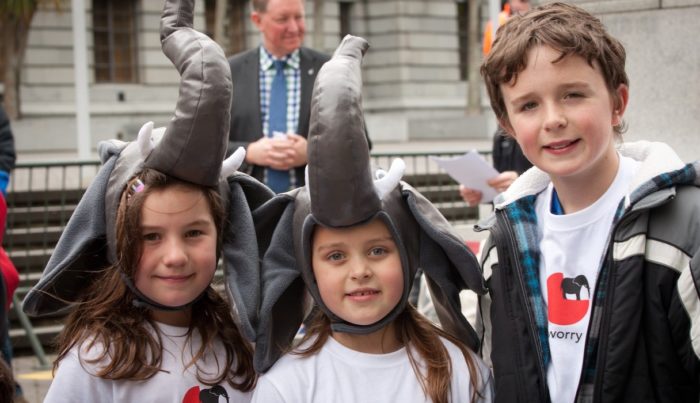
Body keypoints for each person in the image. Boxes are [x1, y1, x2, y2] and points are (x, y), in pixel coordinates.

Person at [22, 1, 273, 401]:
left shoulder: (239, 350)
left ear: (225, 234)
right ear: (119, 238)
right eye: (150, 236)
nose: (175, 256)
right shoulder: (92, 363)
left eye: (194, 232)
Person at [249, 35, 493, 403]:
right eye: (335, 256)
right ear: (307, 268)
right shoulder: (286, 387)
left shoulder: (463, 370)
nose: (359, 270)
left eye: (378, 251)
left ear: (411, 253)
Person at [476, 2, 700, 402]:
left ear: (617, 103)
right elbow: (494, 371)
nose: (553, 119)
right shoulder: (503, 239)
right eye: (529, 105)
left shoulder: (685, 225)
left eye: (573, 95)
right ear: (508, 125)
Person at [227, 0, 328, 193]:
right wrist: (248, 152)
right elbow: (207, 145)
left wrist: (313, 152)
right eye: (282, 19)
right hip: (248, 208)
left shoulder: (328, 69)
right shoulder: (230, 72)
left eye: (299, 17)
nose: (293, 27)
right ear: (257, 21)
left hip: (315, 208)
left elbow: (359, 142)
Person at [461, 0, 532, 207]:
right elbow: (501, 190)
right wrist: (483, 192)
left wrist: (523, 182)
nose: (552, 120)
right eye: (526, 105)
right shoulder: (502, 132)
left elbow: (565, 181)